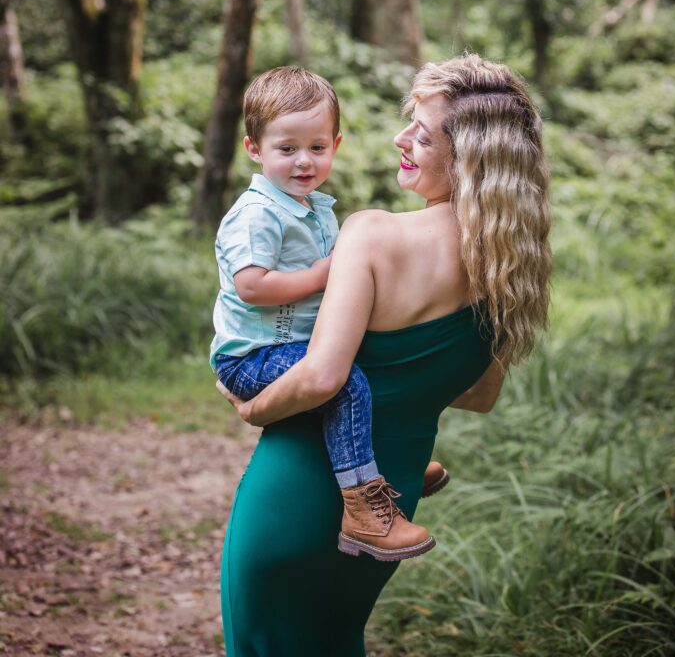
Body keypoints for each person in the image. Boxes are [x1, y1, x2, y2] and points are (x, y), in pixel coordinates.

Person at [217, 54, 552, 657]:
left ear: (469, 158)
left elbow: (322, 376)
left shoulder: (373, 235)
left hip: (300, 490)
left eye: (421, 136)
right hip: (395, 492)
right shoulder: (509, 265)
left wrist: (253, 409)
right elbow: (478, 396)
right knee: (336, 639)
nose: (400, 139)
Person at [210, 66, 440, 563]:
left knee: (365, 357)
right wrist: (320, 276)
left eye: (317, 147)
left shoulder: (313, 207)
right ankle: (362, 508)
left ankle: (386, 465)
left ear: (335, 144)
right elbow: (251, 286)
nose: (303, 161)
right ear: (254, 149)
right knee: (345, 384)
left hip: (293, 344)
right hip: (253, 355)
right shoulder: (257, 215)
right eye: (286, 149)